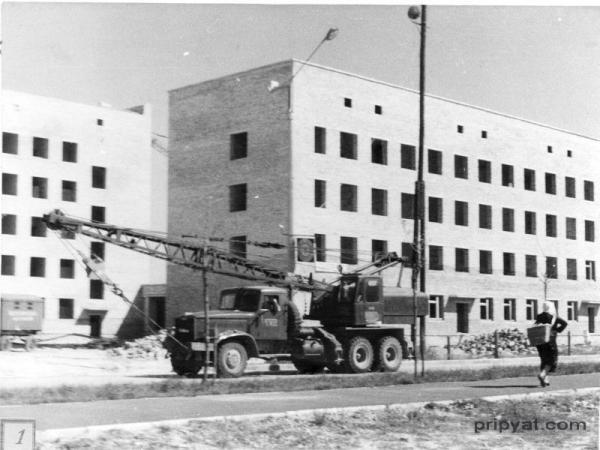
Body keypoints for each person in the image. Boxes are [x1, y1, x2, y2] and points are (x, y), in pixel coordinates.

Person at [534, 302, 567, 387]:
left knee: (544, 359)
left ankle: (545, 379)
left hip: (540, 342)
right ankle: (542, 374)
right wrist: (557, 330)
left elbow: (535, 325)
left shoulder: (539, 316)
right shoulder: (554, 316)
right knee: (552, 360)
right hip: (550, 341)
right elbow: (564, 323)